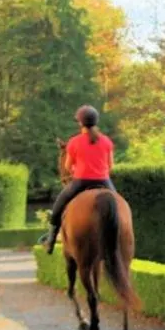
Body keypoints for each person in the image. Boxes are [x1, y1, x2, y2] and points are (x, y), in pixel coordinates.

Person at [42, 105, 115, 254]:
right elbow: (110, 166)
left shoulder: (74, 141)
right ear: (96, 121)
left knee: (59, 205)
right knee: (119, 206)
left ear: (80, 123)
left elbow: (68, 166)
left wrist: (78, 169)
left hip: (81, 182)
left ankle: (51, 239)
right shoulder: (106, 141)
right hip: (104, 181)